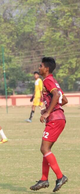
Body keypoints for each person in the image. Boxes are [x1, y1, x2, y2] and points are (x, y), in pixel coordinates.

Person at [30, 57, 68, 192]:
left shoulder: (47, 80)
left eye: (40, 66)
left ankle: (60, 176)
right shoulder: (53, 81)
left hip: (55, 119)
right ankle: (44, 179)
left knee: (44, 149)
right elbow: (64, 99)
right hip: (59, 118)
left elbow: (57, 96)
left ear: (46, 69)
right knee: (46, 150)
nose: (39, 68)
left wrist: (47, 113)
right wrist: (48, 110)